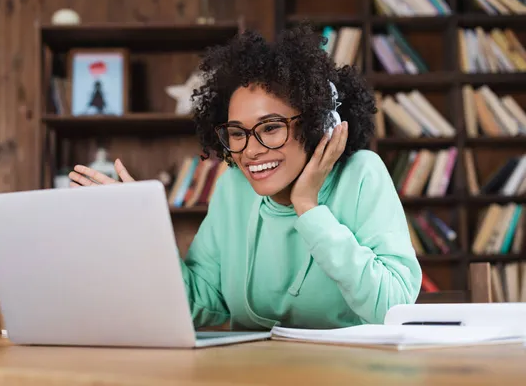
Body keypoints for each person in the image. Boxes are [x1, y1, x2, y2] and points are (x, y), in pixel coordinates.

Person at [68, 24, 422, 331]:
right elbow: (201, 302)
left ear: (320, 125)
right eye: (237, 133)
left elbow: (392, 307)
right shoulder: (233, 187)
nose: (250, 150)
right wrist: (143, 233)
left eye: (270, 128)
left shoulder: (361, 174)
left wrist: (307, 207)